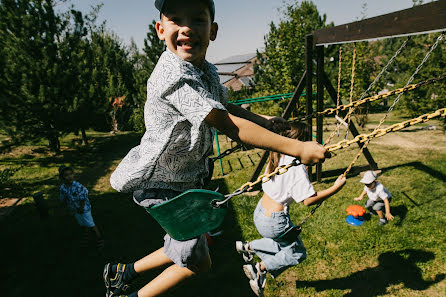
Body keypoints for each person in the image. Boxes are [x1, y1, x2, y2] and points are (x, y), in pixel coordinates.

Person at [103, 1, 329, 296]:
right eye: (175, 20)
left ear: (213, 31)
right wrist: (295, 148)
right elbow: (227, 124)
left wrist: (266, 121)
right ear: (160, 30)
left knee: (182, 249)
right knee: (198, 264)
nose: (186, 27)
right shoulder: (173, 75)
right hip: (163, 187)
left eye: (197, 19)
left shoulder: (204, 70)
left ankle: (123, 272)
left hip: (182, 184)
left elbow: (225, 105)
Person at [235, 122, 346, 296]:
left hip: (260, 213)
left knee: (281, 244)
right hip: (274, 221)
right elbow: (308, 200)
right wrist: (336, 187)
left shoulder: (278, 154)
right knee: (297, 253)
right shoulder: (297, 169)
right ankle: (260, 269)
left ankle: (248, 246)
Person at [59, 165, 104, 249]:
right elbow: (63, 198)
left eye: (70, 174)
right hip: (74, 209)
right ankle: (86, 238)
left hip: (84, 209)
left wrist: (81, 208)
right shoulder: (63, 187)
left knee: (91, 224)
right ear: (62, 177)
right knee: (82, 224)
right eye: (66, 175)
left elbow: (83, 197)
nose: (69, 177)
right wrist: (64, 205)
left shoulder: (77, 186)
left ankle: (99, 239)